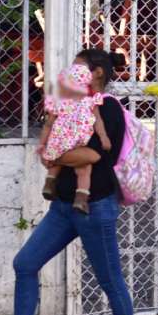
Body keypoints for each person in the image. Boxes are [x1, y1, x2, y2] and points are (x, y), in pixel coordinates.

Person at [0, 49, 142, 315]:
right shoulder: (67, 104)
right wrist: (54, 151)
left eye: (79, 68)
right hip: (64, 207)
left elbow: (94, 153)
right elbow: (55, 138)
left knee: (111, 281)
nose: (71, 72)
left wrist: (54, 153)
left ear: (95, 74)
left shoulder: (106, 107)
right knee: (25, 263)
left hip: (95, 207)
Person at [38, 63, 110, 214]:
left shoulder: (60, 101)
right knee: (84, 168)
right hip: (80, 141)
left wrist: (43, 144)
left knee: (56, 158)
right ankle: (81, 197)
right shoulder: (91, 100)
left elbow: (48, 125)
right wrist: (103, 137)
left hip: (59, 140)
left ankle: (50, 182)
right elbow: (98, 120)